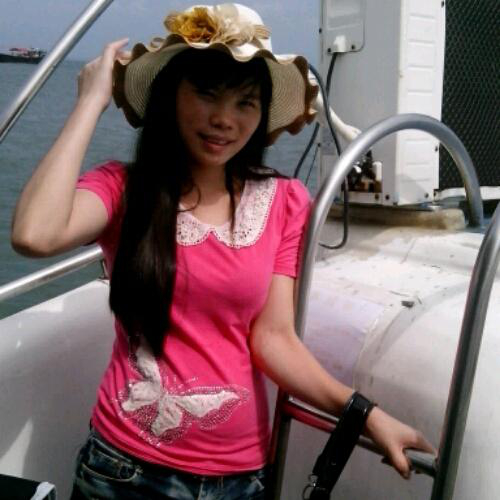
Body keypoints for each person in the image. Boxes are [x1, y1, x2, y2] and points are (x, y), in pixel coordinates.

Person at [11, 4, 434, 499]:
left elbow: (273, 338)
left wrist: (364, 414)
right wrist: (90, 101)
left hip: (241, 479)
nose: (224, 120)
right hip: (124, 471)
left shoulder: (284, 201)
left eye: (245, 102)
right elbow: (34, 235)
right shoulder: (125, 189)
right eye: (207, 94)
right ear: (171, 95)